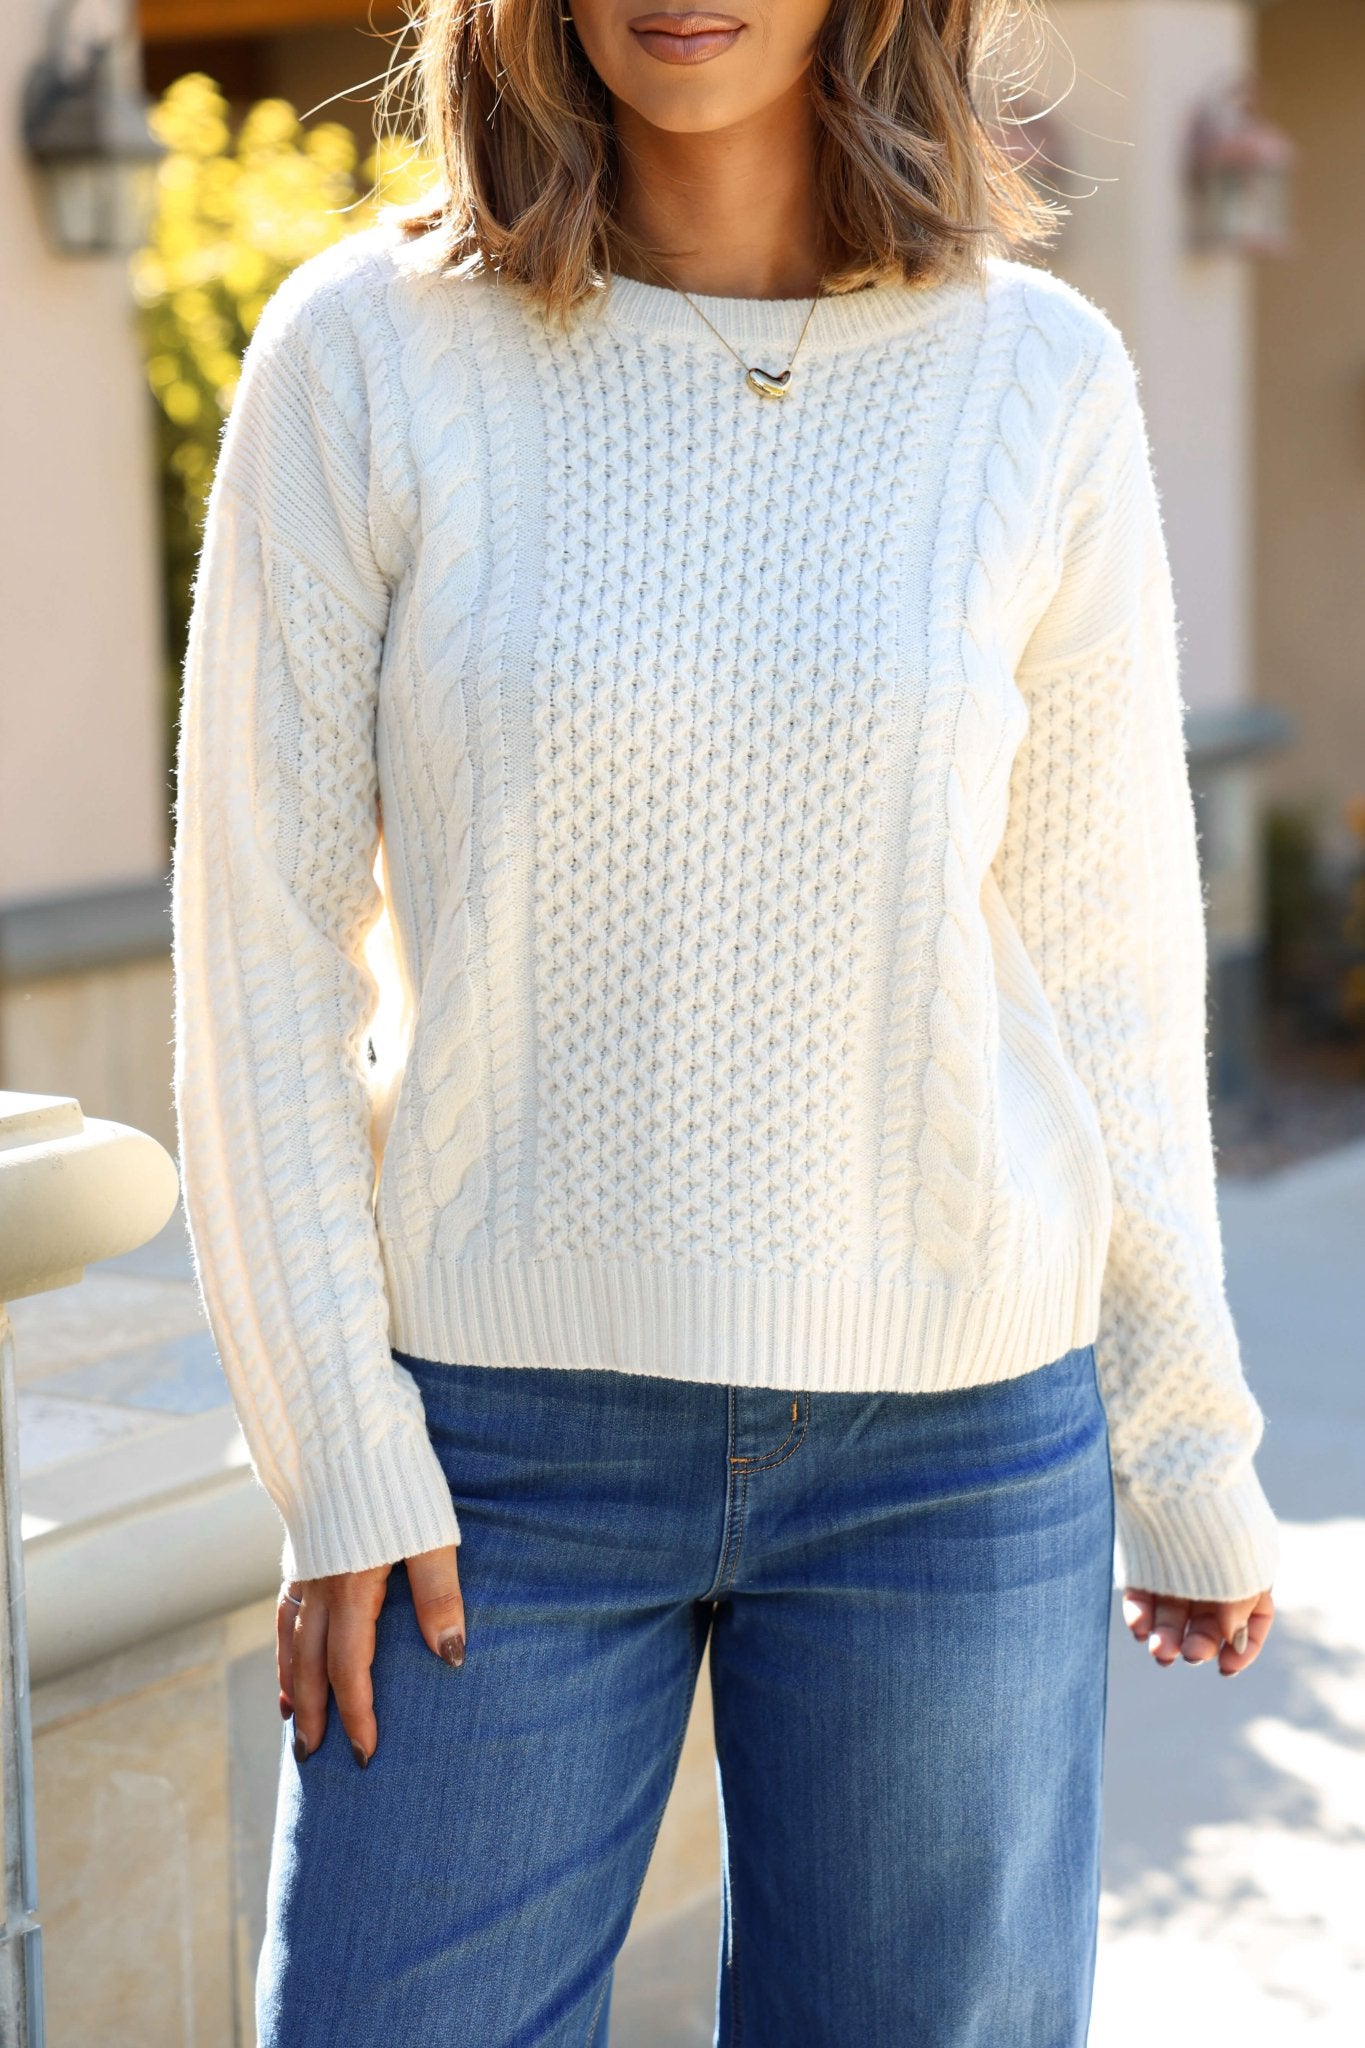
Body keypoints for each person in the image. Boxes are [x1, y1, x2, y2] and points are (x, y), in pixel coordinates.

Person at [170, 1, 1280, 2041]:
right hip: (490, 1449)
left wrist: (1182, 1435)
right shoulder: (363, 357)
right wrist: (336, 1443)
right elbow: (261, 946)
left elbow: (1105, 963)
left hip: (951, 1451)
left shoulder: (1038, 381)